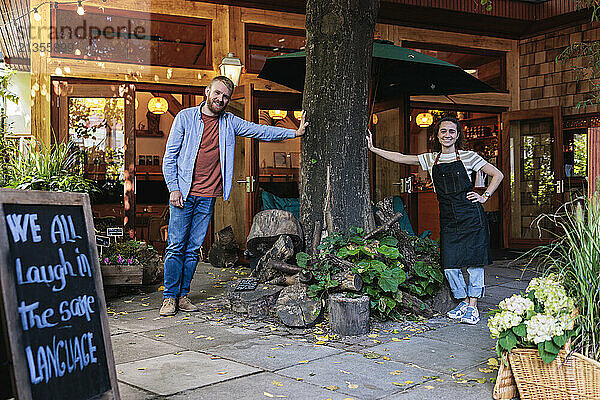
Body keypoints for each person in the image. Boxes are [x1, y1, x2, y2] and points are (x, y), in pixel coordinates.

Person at [160, 76, 308, 316]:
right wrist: (173, 188)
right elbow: (170, 157)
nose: (220, 99)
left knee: (192, 248)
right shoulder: (185, 117)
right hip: (182, 194)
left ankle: (183, 295)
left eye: (225, 96)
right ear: (207, 91)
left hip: (207, 196)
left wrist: (294, 133)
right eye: (217, 93)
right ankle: (169, 298)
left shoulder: (230, 122)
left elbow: (259, 130)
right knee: (176, 246)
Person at [366, 117, 504, 324]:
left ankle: (473, 306)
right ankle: (463, 301)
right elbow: (401, 158)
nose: (447, 135)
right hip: (448, 217)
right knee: (450, 264)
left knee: (475, 262)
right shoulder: (432, 159)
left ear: (457, 135)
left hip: (471, 216)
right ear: (437, 135)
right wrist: (374, 150)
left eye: (451, 131)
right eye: (443, 131)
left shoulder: (469, 157)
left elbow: (497, 175)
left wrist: (485, 196)